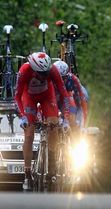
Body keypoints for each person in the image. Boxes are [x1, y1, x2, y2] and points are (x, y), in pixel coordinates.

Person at [14, 52, 70, 191]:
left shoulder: (52, 70)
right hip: (29, 98)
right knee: (29, 134)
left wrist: (66, 118)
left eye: (46, 72)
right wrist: (23, 116)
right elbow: (17, 96)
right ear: (33, 68)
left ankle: (52, 168)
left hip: (47, 96)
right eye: (41, 73)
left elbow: (64, 94)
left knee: (54, 125)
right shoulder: (24, 71)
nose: (44, 76)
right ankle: (27, 174)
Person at [53, 60, 88, 131]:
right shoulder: (49, 80)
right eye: (58, 78)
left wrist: (83, 125)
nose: (61, 81)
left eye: (63, 78)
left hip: (72, 96)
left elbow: (82, 102)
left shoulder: (73, 79)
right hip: (59, 97)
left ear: (68, 75)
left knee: (74, 114)